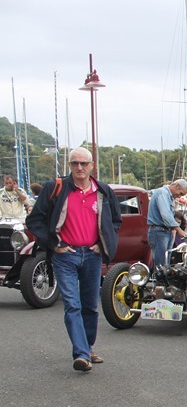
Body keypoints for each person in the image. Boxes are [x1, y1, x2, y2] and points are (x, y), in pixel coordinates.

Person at [25, 147, 122, 372]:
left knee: (90, 305)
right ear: (70, 166)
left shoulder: (103, 191)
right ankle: (81, 355)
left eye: (83, 164)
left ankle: (87, 347)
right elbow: (34, 220)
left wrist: (103, 244)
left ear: (91, 166)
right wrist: (54, 244)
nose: (79, 168)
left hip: (91, 255)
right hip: (65, 256)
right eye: (74, 164)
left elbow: (115, 222)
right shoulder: (56, 189)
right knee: (72, 304)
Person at [148, 178, 187, 267]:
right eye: (181, 193)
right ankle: (159, 281)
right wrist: (179, 230)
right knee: (161, 265)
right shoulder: (162, 193)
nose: (179, 196)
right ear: (177, 186)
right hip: (159, 232)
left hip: (166, 232)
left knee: (166, 264)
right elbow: (166, 214)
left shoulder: (169, 196)